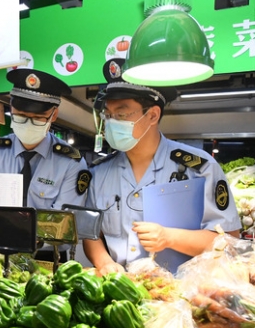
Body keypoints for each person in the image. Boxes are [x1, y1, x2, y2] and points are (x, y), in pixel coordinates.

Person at [83, 59, 241, 275]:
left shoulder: (199, 169)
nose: (111, 123)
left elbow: (229, 241)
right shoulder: (99, 173)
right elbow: (92, 234)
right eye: (108, 115)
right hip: (119, 294)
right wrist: (104, 263)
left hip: (180, 293)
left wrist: (169, 237)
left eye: (121, 114)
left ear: (153, 115)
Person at [0, 68, 91, 262]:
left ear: (53, 115)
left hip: (47, 258)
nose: (28, 123)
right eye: (20, 116)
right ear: (11, 107)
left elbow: (64, 227)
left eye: (37, 118)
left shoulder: (71, 163)